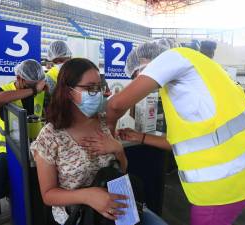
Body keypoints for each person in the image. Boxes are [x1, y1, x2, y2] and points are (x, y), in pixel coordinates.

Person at [102, 42, 245, 225]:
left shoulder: (173, 56)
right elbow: (179, 142)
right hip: (242, 175)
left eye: (137, 76)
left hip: (222, 183)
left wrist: (108, 134)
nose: (139, 82)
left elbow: (116, 104)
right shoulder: (195, 79)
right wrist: (141, 137)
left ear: (146, 62)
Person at [30, 58, 167, 225]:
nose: (98, 93)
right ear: (68, 91)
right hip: (79, 217)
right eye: (90, 88)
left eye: (99, 87)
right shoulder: (49, 137)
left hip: (117, 211)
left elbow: (121, 170)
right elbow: (48, 195)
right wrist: (88, 196)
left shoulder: (104, 123)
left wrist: (118, 149)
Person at [0, 59, 49, 199]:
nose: (34, 87)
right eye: (30, 84)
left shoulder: (41, 92)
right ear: (18, 78)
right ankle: (13, 192)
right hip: (10, 151)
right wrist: (32, 90)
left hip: (37, 149)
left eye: (36, 84)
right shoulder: (5, 90)